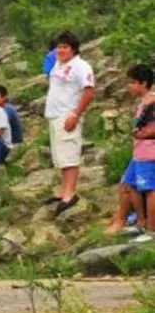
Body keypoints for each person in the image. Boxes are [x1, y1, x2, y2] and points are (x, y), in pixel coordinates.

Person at [43, 30, 95, 217]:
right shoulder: (57, 64)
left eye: (65, 47)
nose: (61, 50)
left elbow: (88, 91)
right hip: (54, 115)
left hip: (68, 114)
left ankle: (70, 194)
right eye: (59, 47)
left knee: (70, 155)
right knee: (61, 157)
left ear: (73, 49)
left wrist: (76, 114)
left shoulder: (81, 66)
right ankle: (63, 191)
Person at [120, 65, 155, 243]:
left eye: (133, 82)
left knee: (150, 189)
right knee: (129, 184)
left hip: (149, 153)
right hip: (139, 153)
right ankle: (141, 221)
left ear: (144, 83)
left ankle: (151, 230)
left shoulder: (151, 102)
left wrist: (140, 134)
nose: (130, 86)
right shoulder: (144, 102)